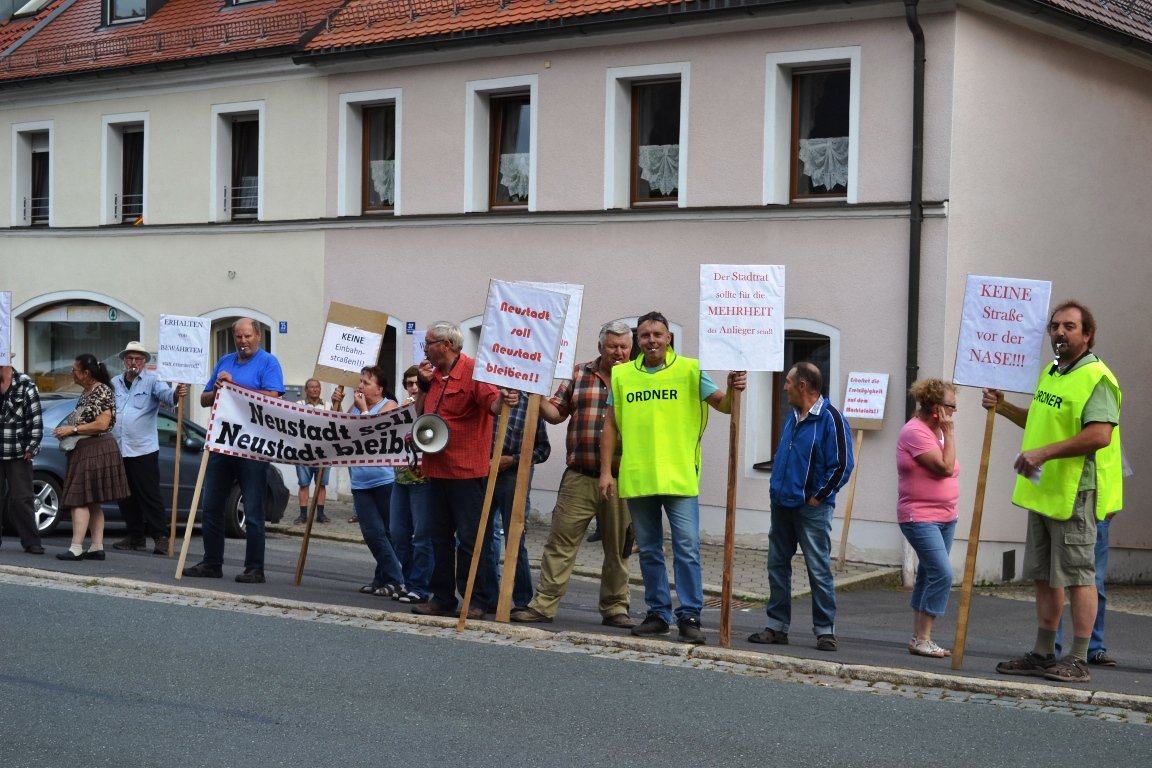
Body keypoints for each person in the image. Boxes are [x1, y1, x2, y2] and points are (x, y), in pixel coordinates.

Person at [983, 299, 1121, 684]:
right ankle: (1044, 653)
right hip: (1044, 493)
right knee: (1044, 577)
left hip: (1074, 492)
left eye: (1069, 327)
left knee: (1079, 577)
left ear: (1087, 335)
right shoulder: (1052, 372)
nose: (1059, 332)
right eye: (1055, 326)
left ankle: (1077, 658)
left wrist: (1043, 453)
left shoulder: (1098, 378)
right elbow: (1039, 422)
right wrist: (1004, 407)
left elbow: (1099, 435)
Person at [599, 311, 745, 645]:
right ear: (638, 341)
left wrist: (732, 386)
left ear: (669, 339)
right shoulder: (622, 376)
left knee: (687, 549)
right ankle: (658, 614)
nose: (651, 340)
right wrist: (607, 471)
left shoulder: (690, 370)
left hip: (679, 477)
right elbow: (610, 425)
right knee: (649, 550)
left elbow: (724, 406)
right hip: (639, 477)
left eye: (658, 334)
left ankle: (690, 615)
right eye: (645, 335)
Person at [511, 320, 635, 628]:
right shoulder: (579, 374)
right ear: (600, 347)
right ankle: (543, 605)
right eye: (612, 346)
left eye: (623, 346)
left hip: (624, 478)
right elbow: (555, 414)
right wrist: (536, 392)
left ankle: (616, 608)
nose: (618, 352)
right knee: (560, 542)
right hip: (579, 475)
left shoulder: (639, 377)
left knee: (618, 548)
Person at [410, 321, 518, 620]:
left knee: (471, 539)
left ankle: (477, 598)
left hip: (467, 472)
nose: (425, 348)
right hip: (437, 469)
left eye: (429, 343)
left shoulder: (473, 370)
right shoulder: (433, 376)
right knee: (438, 538)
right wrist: (422, 387)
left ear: (446, 345)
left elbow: (491, 405)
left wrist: (503, 400)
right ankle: (442, 598)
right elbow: (422, 414)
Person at [749, 362, 853, 652]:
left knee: (818, 568)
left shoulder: (831, 419)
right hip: (782, 503)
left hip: (811, 509)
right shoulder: (792, 416)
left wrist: (817, 496)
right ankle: (777, 627)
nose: (784, 388)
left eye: (788, 382)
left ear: (803, 386)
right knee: (777, 565)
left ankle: (825, 631)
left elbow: (843, 465)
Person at [183, 318, 284, 583]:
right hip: (223, 443)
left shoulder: (268, 363)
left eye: (247, 336)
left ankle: (254, 568)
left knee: (253, 510)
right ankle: (212, 562)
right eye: (238, 337)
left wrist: (236, 387)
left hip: (252, 447)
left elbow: (273, 398)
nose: (242, 342)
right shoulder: (225, 361)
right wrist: (217, 388)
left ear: (258, 336)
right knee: (212, 506)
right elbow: (205, 399)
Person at [896, 378, 960, 658]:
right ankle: (923, 638)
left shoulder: (939, 433)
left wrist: (947, 433)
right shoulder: (915, 432)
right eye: (951, 406)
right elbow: (946, 467)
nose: (954, 412)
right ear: (936, 408)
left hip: (946, 516)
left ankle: (918, 638)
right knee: (942, 573)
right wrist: (950, 433)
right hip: (919, 515)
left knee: (927, 573)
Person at [332, 366, 406, 597]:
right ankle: (390, 578)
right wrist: (338, 405)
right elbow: (343, 430)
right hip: (361, 480)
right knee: (372, 533)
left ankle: (390, 579)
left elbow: (374, 434)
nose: (361, 386)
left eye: (366, 382)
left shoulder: (389, 406)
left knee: (387, 532)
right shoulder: (357, 406)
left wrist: (364, 410)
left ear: (379, 388)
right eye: (360, 381)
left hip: (384, 479)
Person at [110, 341, 188, 555]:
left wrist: (176, 394)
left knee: (149, 495)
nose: (133, 362)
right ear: (124, 360)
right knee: (125, 496)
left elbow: (167, 396)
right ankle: (135, 536)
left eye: (138, 359)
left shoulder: (153, 381)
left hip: (143, 449)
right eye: (130, 358)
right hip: (118, 448)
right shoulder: (114, 382)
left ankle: (160, 537)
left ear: (144, 362)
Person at [52, 354, 130, 561]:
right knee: (93, 501)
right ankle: (96, 547)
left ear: (86, 373)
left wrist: (72, 429)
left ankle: (76, 547)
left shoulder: (101, 390)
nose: (72, 373)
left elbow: (102, 424)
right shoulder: (88, 391)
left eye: (74, 370)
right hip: (89, 447)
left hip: (95, 447)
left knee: (80, 499)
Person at [484, 394, 550, 611]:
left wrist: (513, 460)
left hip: (514, 472)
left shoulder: (530, 402)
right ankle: (487, 597)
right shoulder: (489, 397)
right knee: (480, 536)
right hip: (482, 468)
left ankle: (522, 601)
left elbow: (542, 449)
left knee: (515, 537)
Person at [390, 366, 433, 604]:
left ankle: (421, 586)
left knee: (422, 536)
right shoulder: (400, 408)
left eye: (417, 383)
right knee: (397, 533)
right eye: (409, 383)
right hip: (401, 478)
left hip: (424, 481)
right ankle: (408, 582)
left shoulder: (430, 407)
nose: (413, 387)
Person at [1, 356, 45, 555]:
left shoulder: (26, 385)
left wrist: (32, 447)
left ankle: (31, 540)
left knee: (22, 498)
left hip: (18, 452)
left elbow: (36, 420)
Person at [293, 378, 332, 525]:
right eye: (311, 387)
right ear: (306, 390)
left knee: (321, 484)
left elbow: (340, 420)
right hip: (304, 452)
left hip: (324, 452)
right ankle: (303, 515)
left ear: (320, 389)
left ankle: (320, 514)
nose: (315, 389)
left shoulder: (329, 406)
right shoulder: (299, 405)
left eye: (317, 387)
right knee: (303, 484)